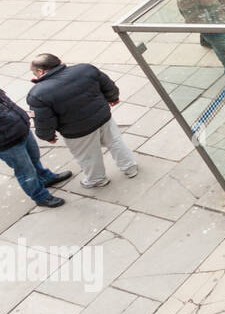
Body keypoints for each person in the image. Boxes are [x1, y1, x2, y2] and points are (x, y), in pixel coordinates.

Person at [27, 53, 137, 189]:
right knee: (115, 142)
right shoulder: (85, 69)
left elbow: (44, 121)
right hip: (103, 117)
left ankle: (97, 179)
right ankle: (130, 167)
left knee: (88, 156)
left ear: (40, 71)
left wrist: (47, 136)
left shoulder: (38, 94)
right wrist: (113, 97)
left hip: (77, 131)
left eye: (33, 72)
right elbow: (107, 84)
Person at [1, 87, 72, 208]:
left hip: (21, 130)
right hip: (7, 143)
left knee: (34, 158)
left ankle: (44, 177)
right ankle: (40, 197)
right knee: (26, 171)